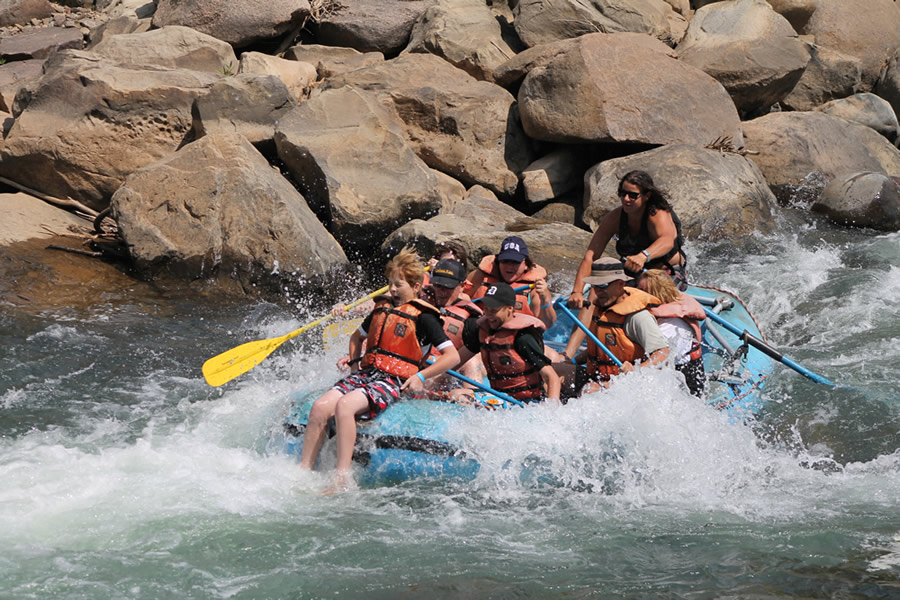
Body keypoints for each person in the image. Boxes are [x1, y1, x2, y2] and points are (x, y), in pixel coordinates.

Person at [300, 247, 460, 490]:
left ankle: (342, 477)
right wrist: (355, 366)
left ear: (416, 287)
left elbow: (452, 356)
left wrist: (420, 376)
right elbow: (356, 337)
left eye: (399, 284)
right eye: (390, 284)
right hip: (367, 374)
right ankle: (302, 472)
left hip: (395, 380)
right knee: (320, 407)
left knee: (345, 406)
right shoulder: (381, 309)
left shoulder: (425, 317)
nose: (393, 290)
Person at [568, 170, 688, 305]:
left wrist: (643, 256)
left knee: (647, 296)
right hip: (632, 272)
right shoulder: (614, 218)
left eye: (632, 195)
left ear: (646, 196)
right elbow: (591, 257)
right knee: (597, 292)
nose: (626, 199)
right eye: (623, 193)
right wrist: (577, 292)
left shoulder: (658, 214)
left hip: (664, 271)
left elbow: (667, 241)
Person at [557, 258, 670, 395]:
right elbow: (599, 347)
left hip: (626, 385)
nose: (598, 291)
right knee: (552, 371)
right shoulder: (601, 308)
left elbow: (663, 353)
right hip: (596, 377)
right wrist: (572, 361)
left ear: (621, 284)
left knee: (589, 391)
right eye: (595, 286)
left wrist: (637, 371)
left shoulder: (638, 317)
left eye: (603, 285)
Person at [455, 282, 561, 404]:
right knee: (457, 395)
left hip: (525, 403)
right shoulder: (482, 332)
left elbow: (551, 377)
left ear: (510, 309)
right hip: (499, 397)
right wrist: (430, 377)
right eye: (486, 309)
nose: (488, 315)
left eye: (494, 310)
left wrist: (552, 412)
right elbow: (456, 361)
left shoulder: (523, 338)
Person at [638, 269, 706, 396]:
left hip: (684, 383)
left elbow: (661, 357)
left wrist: (633, 373)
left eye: (643, 292)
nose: (637, 296)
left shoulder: (674, 325)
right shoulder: (653, 315)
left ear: (658, 294)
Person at [464, 235, 556, 329]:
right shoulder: (480, 276)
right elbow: (457, 299)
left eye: (515, 262)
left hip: (515, 338)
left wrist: (545, 300)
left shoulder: (535, 287)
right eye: (505, 261)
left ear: (525, 264)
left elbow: (547, 324)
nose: (509, 267)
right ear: (498, 261)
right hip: (479, 331)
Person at [424, 258, 485, 383]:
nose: (442, 292)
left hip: (447, 373)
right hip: (419, 363)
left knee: (473, 361)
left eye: (448, 287)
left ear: (462, 286)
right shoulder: (419, 301)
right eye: (438, 286)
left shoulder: (471, 319)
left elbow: (463, 358)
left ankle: (471, 396)